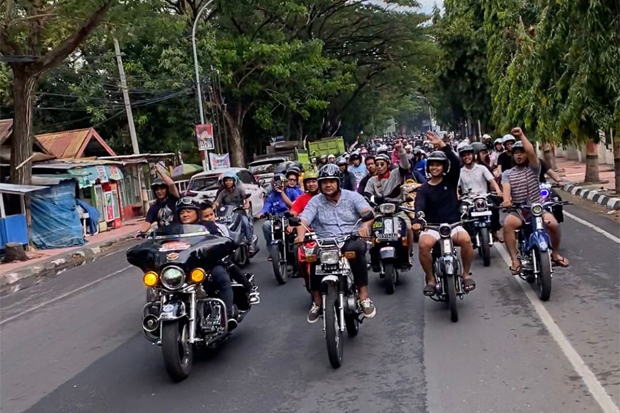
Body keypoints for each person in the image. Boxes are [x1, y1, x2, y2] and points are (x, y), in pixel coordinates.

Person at [296, 164, 377, 322]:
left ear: (338, 182)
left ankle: (363, 296)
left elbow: (368, 213)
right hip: (325, 241)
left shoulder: (352, 197)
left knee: (356, 251)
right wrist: (300, 236)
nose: (328, 185)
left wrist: (365, 226)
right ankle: (317, 302)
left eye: (331, 181)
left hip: (350, 238)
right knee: (312, 257)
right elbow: (303, 219)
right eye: (324, 182)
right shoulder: (315, 201)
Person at [413, 131, 476, 296]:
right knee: (424, 244)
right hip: (432, 227)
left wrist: (442, 144)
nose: (435, 167)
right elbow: (419, 206)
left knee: (467, 240)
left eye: (438, 164)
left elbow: (455, 161)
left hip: (453, 225)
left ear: (444, 167)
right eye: (432, 164)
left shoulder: (451, 179)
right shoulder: (424, 189)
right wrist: (418, 219)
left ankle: (466, 274)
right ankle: (431, 279)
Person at [501, 128, 569, 273]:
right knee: (507, 224)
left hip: (538, 208)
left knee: (554, 224)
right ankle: (514, 259)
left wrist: (521, 136)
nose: (519, 155)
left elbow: (532, 151)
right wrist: (506, 200)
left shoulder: (534, 168)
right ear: (512, 156)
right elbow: (506, 188)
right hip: (520, 210)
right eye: (516, 153)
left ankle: (555, 253)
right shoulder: (507, 174)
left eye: (522, 152)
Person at [175, 197, 238, 331]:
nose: (185, 215)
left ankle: (227, 315)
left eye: (188, 211)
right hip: (183, 268)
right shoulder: (174, 229)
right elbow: (161, 243)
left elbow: (221, 241)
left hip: (207, 265)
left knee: (221, 277)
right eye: (181, 212)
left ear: (196, 213)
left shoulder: (208, 226)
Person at [364, 139, 420, 264]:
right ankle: (374, 257)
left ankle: (408, 254)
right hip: (379, 211)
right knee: (370, 230)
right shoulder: (371, 181)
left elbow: (405, 165)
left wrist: (401, 150)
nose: (379, 167)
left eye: (381, 164)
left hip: (398, 210)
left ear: (388, 164)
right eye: (376, 164)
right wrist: (371, 200)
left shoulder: (396, 174)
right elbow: (366, 194)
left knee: (409, 228)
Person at [201, 200, 260, 305]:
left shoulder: (220, 227)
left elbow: (228, 241)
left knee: (229, 265)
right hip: (202, 262)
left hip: (219, 257)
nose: (210, 217)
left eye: (211, 214)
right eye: (206, 216)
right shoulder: (197, 230)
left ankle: (250, 289)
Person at [458, 143, 503, 240]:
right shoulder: (460, 172)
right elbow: (456, 187)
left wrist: (498, 190)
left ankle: (495, 231)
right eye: (464, 155)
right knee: (462, 212)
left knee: (494, 208)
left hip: (484, 196)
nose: (467, 157)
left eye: (468, 154)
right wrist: (457, 194)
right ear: (461, 158)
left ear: (473, 155)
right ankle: (468, 235)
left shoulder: (482, 168)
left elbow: (492, 180)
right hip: (468, 199)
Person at [213, 171, 257, 255]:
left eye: (230, 180)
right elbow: (217, 202)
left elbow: (246, 198)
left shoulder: (239, 190)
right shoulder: (223, 193)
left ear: (234, 181)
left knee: (245, 222)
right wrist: (213, 207)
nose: (228, 182)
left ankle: (250, 242)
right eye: (226, 181)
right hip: (227, 215)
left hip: (239, 213)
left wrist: (246, 204)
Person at [258, 173, 303, 253]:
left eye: (280, 182)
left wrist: (282, 192)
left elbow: (296, 205)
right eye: (276, 183)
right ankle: (271, 250)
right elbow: (266, 206)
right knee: (266, 225)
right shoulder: (271, 196)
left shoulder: (292, 192)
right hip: (276, 220)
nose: (278, 185)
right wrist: (262, 213)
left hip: (290, 218)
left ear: (285, 182)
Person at [137, 164, 181, 235]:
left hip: (179, 235)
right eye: (157, 189)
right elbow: (147, 222)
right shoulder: (154, 207)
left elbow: (172, 185)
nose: (159, 191)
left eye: (162, 188)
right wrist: (141, 232)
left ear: (167, 189)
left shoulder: (174, 199)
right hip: (163, 237)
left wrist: (160, 172)